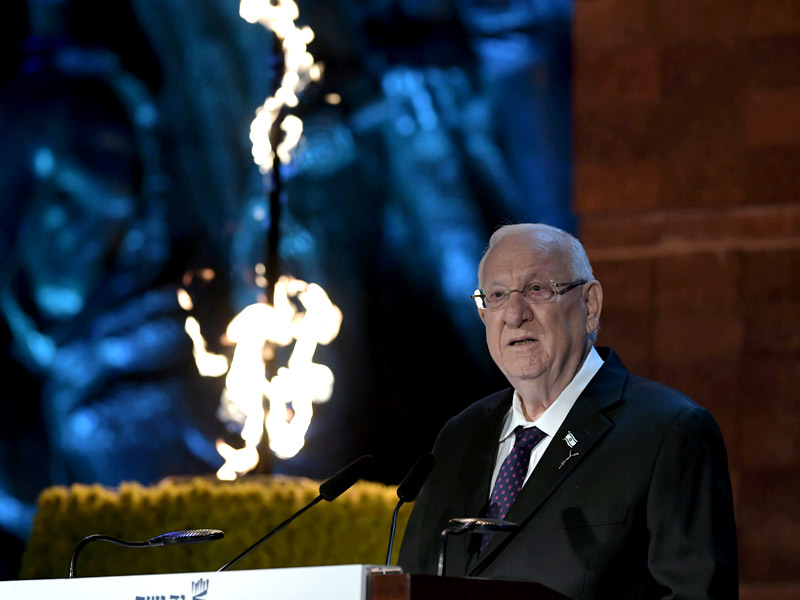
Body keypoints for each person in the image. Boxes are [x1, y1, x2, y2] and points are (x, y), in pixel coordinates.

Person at [398, 223, 738, 599]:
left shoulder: (670, 431)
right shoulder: (460, 436)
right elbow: (410, 580)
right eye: (496, 295)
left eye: (537, 289)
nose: (514, 314)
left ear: (589, 305)